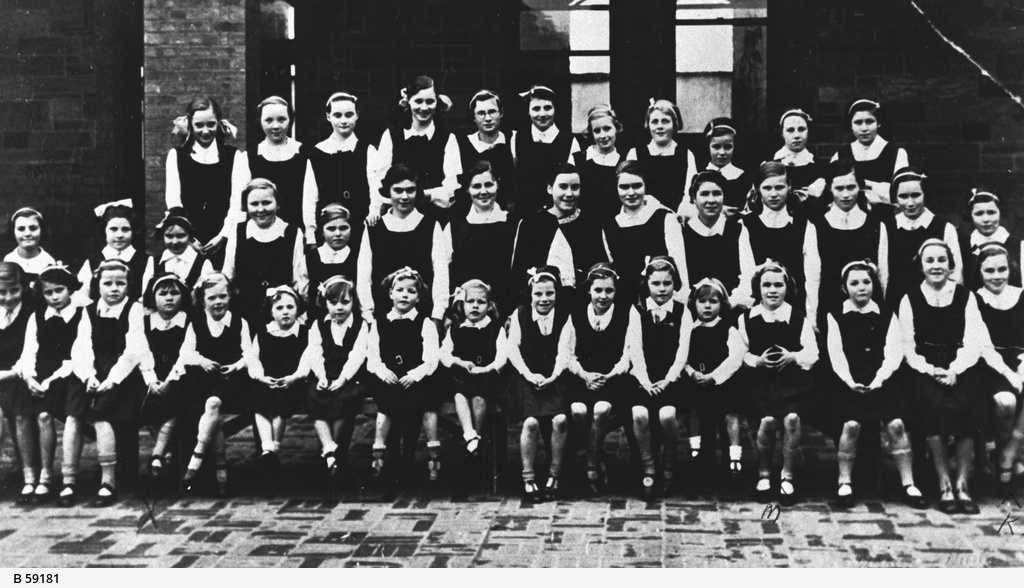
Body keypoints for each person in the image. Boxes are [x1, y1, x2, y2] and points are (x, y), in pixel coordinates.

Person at [824, 260, 926, 509]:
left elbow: (894, 352)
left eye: (867, 282)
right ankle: (844, 481)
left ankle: (908, 483)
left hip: (883, 380)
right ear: (844, 287)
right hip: (849, 381)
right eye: (854, 283)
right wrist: (850, 382)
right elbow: (836, 354)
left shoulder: (886, 314)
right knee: (851, 425)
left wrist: (879, 380)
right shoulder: (836, 315)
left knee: (896, 425)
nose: (861, 288)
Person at [898, 239, 986, 514]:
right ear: (921, 266)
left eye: (941, 260)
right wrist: (931, 370)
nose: (936, 266)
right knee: (935, 407)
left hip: (960, 364)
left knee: (967, 406)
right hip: (923, 367)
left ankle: (962, 485)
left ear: (950, 264)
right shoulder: (910, 298)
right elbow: (907, 346)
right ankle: (944, 484)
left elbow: (974, 339)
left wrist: (955, 369)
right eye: (930, 261)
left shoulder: (965, 296)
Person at [63, 259, 146, 507]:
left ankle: (108, 481)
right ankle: (69, 480)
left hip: (121, 376)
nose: (114, 289)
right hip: (91, 372)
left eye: (120, 283)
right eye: (107, 283)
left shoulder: (133, 309)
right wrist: (89, 376)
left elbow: (134, 350)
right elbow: (82, 347)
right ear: (97, 284)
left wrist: (111, 380)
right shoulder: (88, 311)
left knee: (101, 415)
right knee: (73, 415)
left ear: (128, 286)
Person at [739, 261, 818, 506]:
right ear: (758, 288)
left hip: (791, 381)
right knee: (768, 420)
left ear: (787, 287)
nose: (772, 290)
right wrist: (757, 361)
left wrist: (793, 356)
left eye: (778, 285)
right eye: (766, 285)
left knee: (791, 419)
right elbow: (740, 353)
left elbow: (812, 353)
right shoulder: (747, 318)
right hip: (759, 381)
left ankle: (787, 475)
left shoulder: (796, 317)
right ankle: (763, 473)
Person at [562, 263, 643, 495]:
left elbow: (630, 352)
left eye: (609, 290)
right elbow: (567, 352)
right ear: (589, 290)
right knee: (578, 410)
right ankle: (597, 455)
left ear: (616, 291)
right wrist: (585, 375)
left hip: (613, 380)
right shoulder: (576, 315)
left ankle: (591, 461)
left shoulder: (627, 313)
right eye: (598, 290)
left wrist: (610, 374)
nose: (603, 296)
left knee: (601, 409)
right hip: (585, 379)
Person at [178, 273, 254, 497]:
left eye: (223, 296)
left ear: (230, 297)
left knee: (212, 404)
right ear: (202, 301)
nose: (218, 302)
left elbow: (250, 353)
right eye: (212, 298)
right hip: (203, 379)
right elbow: (185, 353)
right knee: (214, 416)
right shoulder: (197, 323)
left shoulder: (239, 322)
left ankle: (197, 457)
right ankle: (221, 471)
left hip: (232, 381)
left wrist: (238, 366)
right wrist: (201, 361)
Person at [366, 267, 443, 483]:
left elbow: (431, 358)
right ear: (390, 293)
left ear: (418, 297)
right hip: (388, 376)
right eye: (399, 290)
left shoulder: (425, 323)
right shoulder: (380, 323)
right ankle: (383, 454)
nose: (404, 295)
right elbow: (372, 356)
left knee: (419, 401)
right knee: (388, 399)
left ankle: (416, 455)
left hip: (415, 376)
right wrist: (383, 372)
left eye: (411, 291)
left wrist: (414, 375)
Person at [16, 263, 82, 505]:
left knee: (44, 415)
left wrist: (50, 381)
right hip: (38, 376)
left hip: (65, 376)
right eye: (48, 292)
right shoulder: (37, 317)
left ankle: (47, 476)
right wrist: (30, 377)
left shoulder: (80, 314)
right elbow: (28, 353)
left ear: (70, 289)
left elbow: (77, 357)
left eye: (59, 290)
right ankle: (30, 477)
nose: (54, 297)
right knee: (22, 413)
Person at [629, 257, 692, 497]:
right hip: (644, 377)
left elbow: (682, 351)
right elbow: (636, 348)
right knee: (640, 414)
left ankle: (669, 462)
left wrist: (668, 379)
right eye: (656, 283)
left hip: (670, 378)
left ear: (675, 284)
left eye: (668, 283)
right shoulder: (638, 310)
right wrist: (645, 381)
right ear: (648, 284)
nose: (662, 289)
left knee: (667, 415)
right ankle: (649, 467)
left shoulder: (682, 311)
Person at [506, 266, 570, 502]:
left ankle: (555, 475)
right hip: (527, 378)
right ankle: (529, 478)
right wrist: (529, 375)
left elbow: (565, 351)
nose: (544, 299)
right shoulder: (521, 314)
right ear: (530, 294)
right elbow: (513, 349)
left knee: (560, 420)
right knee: (531, 423)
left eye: (549, 294)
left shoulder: (564, 316)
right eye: (538, 294)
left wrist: (552, 376)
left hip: (555, 377)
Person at [356, 164, 451, 322]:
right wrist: (368, 314)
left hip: (422, 316)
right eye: (398, 190)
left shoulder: (431, 225)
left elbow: (441, 274)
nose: (405, 197)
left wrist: (437, 315)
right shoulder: (374, 228)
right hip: (382, 316)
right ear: (388, 192)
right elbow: (364, 275)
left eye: (410, 190)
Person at [165, 96, 249, 268]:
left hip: (225, 239)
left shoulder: (235, 157)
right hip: (188, 242)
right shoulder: (176, 156)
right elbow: (174, 201)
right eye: (199, 125)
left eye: (210, 124)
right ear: (190, 125)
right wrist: (188, 238)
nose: (205, 131)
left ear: (218, 123)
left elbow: (237, 203)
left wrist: (224, 236)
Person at [510, 164, 606, 309]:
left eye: (575, 187)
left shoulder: (590, 224)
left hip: (582, 308)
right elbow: (518, 274)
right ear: (550, 188)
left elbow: (600, 271)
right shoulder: (530, 225)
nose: (569, 194)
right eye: (563, 187)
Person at [370, 75, 461, 224]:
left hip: (434, 219)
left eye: (430, 101)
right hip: (397, 217)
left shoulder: (447, 138)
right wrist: (376, 209)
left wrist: (424, 195)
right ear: (408, 102)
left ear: (437, 102)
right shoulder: (391, 136)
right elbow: (380, 181)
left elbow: (452, 188)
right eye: (418, 101)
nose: (424, 108)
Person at [738, 162, 820, 323]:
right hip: (758, 312)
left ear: (789, 186)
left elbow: (812, 277)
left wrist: (811, 318)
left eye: (779, 187)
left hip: (795, 312)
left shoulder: (804, 225)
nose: (773, 194)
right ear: (758, 188)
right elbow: (747, 274)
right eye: (767, 188)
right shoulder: (746, 225)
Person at [602, 161, 689, 305]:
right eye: (624, 187)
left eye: (637, 186)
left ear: (645, 186)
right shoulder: (610, 227)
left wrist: (682, 297)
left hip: (663, 300)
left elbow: (679, 263)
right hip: (625, 302)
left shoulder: (664, 218)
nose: (631, 193)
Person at [306, 275, 368, 477]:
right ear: (325, 303)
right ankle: (329, 447)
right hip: (325, 371)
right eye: (333, 303)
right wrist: (322, 376)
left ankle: (336, 455)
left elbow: (357, 355)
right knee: (315, 396)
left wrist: (343, 378)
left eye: (345, 302)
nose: (339, 307)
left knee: (345, 398)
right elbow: (315, 352)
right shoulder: (318, 324)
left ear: (353, 302)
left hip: (350, 375)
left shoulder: (360, 324)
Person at [972, 244, 1024, 485]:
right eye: (989, 271)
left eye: (1002, 269)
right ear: (980, 271)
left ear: (1010, 269)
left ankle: (1010, 451)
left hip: (1021, 361)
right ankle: (1000, 451)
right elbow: (982, 346)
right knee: (1006, 401)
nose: (996, 276)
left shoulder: (1021, 295)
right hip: (989, 365)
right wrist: (1009, 373)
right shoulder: (974, 299)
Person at [222, 178, 308, 323]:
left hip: (281, 314)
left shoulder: (292, 233)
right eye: (254, 204)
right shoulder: (238, 231)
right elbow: (228, 274)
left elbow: (298, 279)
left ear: (278, 204)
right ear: (246, 206)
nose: (260, 209)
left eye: (267, 203)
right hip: (244, 311)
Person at [684, 278, 745, 479]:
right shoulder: (690, 330)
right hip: (698, 381)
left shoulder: (728, 329)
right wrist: (692, 372)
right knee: (693, 407)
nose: (708, 306)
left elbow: (735, 357)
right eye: (702, 301)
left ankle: (735, 456)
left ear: (722, 304)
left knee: (731, 412)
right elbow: (681, 357)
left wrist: (714, 376)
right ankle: (696, 448)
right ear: (694, 304)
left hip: (722, 383)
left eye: (713, 301)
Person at [440, 280, 507, 458]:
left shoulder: (495, 328)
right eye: (470, 302)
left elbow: (502, 357)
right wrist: (459, 362)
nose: (475, 306)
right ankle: (471, 436)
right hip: (463, 373)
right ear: (463, 305)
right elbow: (444, 354)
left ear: (489, 306)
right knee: (459, 395)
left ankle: (477, 435)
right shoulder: (456, 328)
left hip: (486, 375)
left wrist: (486, 369)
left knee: (479, 398)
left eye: (481, 302)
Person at [248, 285, 312, 471]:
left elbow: (307, 360)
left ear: (297, 309)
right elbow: (254, 358)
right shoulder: (263, 332)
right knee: (258, 402)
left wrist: (295, 377)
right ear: (271, 311)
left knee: (280, 404)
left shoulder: (304, 332)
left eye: (290, 307)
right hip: (267, 379)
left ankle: (272, 448)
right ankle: (269, 448)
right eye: (279, 308)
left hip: (293, 381)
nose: (285, 312)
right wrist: (261, 377)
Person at [879, 167, 962, 309]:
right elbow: (883, 274)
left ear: (925, 194)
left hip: (937, 303)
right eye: (903, 196)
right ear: (895, 197)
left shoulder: (944, 228)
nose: (910, 203)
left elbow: (955, 273)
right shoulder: (887, 228)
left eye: (916, 195)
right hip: (899, 303)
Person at [814, 160, 882, 321]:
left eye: (851, 187)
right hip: (830, 309)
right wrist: (813, 316)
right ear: (830, 188)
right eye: (839, 188)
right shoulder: (817, 226)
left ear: (860, 186)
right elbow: (813, 276)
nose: (846, 195)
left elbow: (883, 276)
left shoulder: (876, 226)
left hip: (868, 310)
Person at [137, 272, 190, 478]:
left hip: (179, 377)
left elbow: (186, 354)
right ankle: (166, 450)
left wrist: (169, 380)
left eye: (174, 293)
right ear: (153, 297)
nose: (169, 298)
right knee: (144, 401)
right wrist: (152, 382)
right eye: (163, 293)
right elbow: (141, 353)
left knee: (177, 399)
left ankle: (158, 452)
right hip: (150, 377)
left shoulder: (188, 321)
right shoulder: (145, 322)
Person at [449, 161, 515, 315]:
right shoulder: (455, 227)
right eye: (476, 186)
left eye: (489, 185)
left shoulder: (513, 224)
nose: (484, 192)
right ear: (467, 189)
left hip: (505, 309)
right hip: (467, 312)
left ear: (497, 184)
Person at [306, 92, 372, 242]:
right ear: (328, 116)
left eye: (349, 115)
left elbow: (375, 190)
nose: (343, 121)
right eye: (337, 115)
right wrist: (310, 233)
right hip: (328, 227)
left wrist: (373, 213)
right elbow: (310, 196)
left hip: (360, 224)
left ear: (357, 115)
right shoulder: (317, 153)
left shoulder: (367, 150)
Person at [511, 85, 580, 218]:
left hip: (557, 214)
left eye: (547, 108)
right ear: (528, 111)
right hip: (524, 212)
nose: (542, 114)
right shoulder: (517, 138)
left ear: (555, 109)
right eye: (536, 109)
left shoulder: (569, 141)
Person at [682, 171, 748, 309]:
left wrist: (730, 302)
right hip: (692, 310)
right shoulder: (683, 232)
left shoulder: (737, 230)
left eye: (717, 193)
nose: (711, 200)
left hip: (730, 308)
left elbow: (747, 275)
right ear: (694, 198)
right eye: (704, 194)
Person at [248, 95, 315, 228]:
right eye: (268, 120)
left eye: (281, 119)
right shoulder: (250, 156)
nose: (276, 126)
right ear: (259, 121)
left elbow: (311, 197)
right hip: (261, 230)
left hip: (298, 229)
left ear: (290, 120)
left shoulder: (304, 153)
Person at [830, 99, 909, 208]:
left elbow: (902, 192)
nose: (864, 128)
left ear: (879, 123)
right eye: (858, 122)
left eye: (869, 121)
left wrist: (868, 184)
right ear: (851, 125)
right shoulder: (841, 154)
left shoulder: (896, 153)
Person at [626, 99, 697, 217]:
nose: (659, 126)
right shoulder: (635, 154)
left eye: (665, 121)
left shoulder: (686, 154)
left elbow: (690, 192)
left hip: (679, 216)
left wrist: (679, 214)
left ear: (674, 124)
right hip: (645, 216)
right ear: (647, 124)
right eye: (654, 122)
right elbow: (632, 190)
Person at [75, 200, 154, 305]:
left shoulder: (146, 261)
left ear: (133, 231)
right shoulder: (93, 261)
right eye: (113, 229)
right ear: (104, 231)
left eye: (125, 229)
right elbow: (81, 295)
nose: (119, 235)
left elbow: (146, 297)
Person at [0, 263, 33, 503]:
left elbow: (30, 353)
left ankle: (29, 474)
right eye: (2, 292)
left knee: (20, 413)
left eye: (14, 290)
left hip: (21, 374)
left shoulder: (31, 312)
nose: (8, 297)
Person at [456, 90, 515, 213]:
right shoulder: (461, 144)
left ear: (501, 113)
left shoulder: (513, 139)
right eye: (481, 113)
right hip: (472, 214)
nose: (487, 118)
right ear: (474, 117)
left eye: (492, 112)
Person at [961, 189, 1022, 293]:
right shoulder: (962, 246)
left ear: (1000, 212)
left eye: (991, 212)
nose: (986, 219)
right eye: (979, 213)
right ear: (970, 215)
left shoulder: (1019, 245)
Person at [305, 203, 358, 320]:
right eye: (331, 229)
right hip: (318, 321)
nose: (338, 234)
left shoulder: (358, 257)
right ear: (322, 231)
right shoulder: (310, 257)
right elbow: (304, 293)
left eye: (343, 228)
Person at [573, 105, 625, 222]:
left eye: (607, 128)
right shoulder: (578, 159)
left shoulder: (624, 160)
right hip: (585, 224)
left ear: (616, 128)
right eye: (597, 131)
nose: (603, 135)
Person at [772, 108, 826, 204]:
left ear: (808, 131)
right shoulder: (770, 164)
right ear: (782, 133)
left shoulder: (819, 167)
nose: (796, 135)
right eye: (790, 130)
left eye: (801, 129)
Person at [154, 207, 214, 291]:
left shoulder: (202, 263)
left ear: (189, 236)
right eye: (169, 236)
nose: (174, 242)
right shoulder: (154, 263)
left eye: (181, 236)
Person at [702, 117, 751, 216]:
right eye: (716, 147)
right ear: (708, 146)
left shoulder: (742, 177)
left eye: (728, 147)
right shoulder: (700, 175)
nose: (722, 152)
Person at [5, 207, 56, 286]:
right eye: (21, 229)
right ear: (13, 232)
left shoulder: (49, 262)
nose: (27, 233)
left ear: (42, 231)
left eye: (33, 228)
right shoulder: (9, 260)